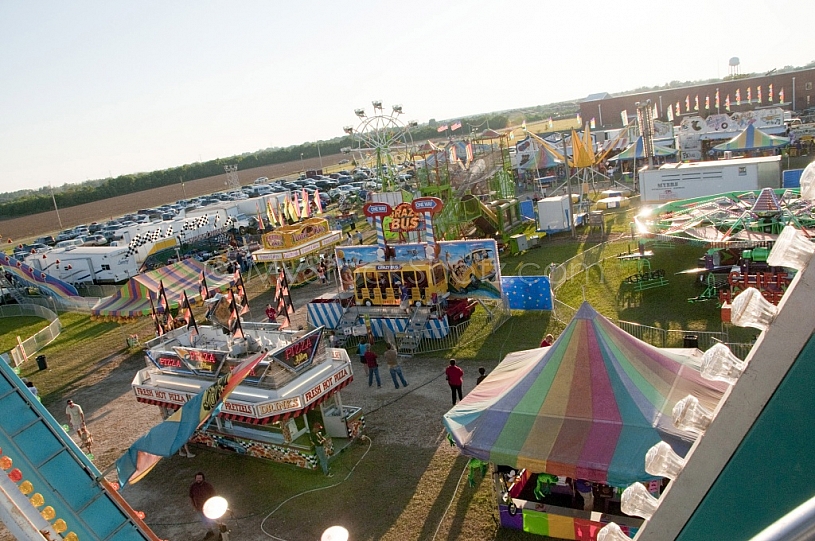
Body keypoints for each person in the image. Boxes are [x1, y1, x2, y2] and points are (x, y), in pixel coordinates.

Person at [189, 472, 218, 538]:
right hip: (199, 508)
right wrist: (194, 506)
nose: (198, 479)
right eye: (197, 478)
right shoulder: (193, 487)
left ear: (203, 478)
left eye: (200, 478)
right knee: (205, 521)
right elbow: (191, 497)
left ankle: (221, 532)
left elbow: (214, 495)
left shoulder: (208, 486)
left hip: (209, 507)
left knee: (215, 520)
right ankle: (210, 532)